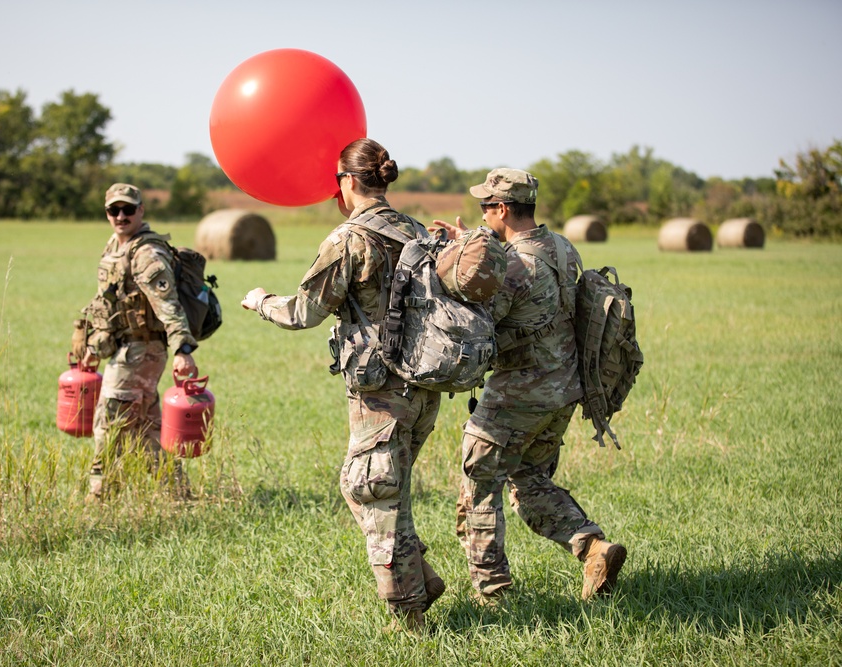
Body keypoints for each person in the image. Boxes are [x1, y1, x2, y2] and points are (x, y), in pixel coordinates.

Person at [241, 138, 445, 633]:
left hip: (381, 388)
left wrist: (259, 300)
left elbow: (304, 312)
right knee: (378, 488)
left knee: (372, 489)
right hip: (425, 385)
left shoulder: (349, 239)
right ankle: (421, 576)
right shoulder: (416, 230)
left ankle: (409, 616)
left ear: (348, 182)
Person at [432, 168, 627, 605]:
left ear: (502, 209)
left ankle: (493, 593)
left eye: (485, 209)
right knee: (529, 478)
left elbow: (480, 318)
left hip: (518, 394)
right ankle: (593, 548)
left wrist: (458, 261)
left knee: (479, 484)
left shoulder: (513, 265)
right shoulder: (560, 246)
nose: (482, 216)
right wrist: (472, 243)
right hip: (564, 390)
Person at [78, 183, 198, 502]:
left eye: (128, 209)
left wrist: (183, 349)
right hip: (124, 348)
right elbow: (109, 305)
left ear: (141, 211)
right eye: (114, 210)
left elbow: (167, 303)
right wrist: (93, 348)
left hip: (144, 349)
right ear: (106, 213)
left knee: (110, 418)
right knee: (145, 427)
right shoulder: (115, 246)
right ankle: (179, 495)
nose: (121, 215)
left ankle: (101, 495)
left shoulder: (147, 252)